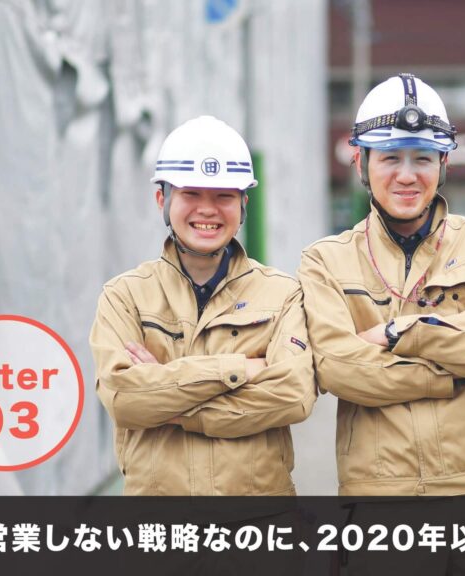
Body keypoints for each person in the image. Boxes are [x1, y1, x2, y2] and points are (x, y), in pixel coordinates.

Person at [298, 74, 465, 497]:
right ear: (360, 162)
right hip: (382, 494)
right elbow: (338, 367)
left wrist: (393, 333)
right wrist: (455, 363)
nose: (407, 176)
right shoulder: (325, 261)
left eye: (423, 158)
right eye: (390, 157)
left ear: (444, 164)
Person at [90, 115, 315, 495]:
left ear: (243, 204)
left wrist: (170, 401)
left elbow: (293, 395)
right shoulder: (124, 296)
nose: (207, 210)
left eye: (224, 196)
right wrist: (239, 368)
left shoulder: (282, 294)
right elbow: (126, 400)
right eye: (191, 194)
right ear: (162, 200)